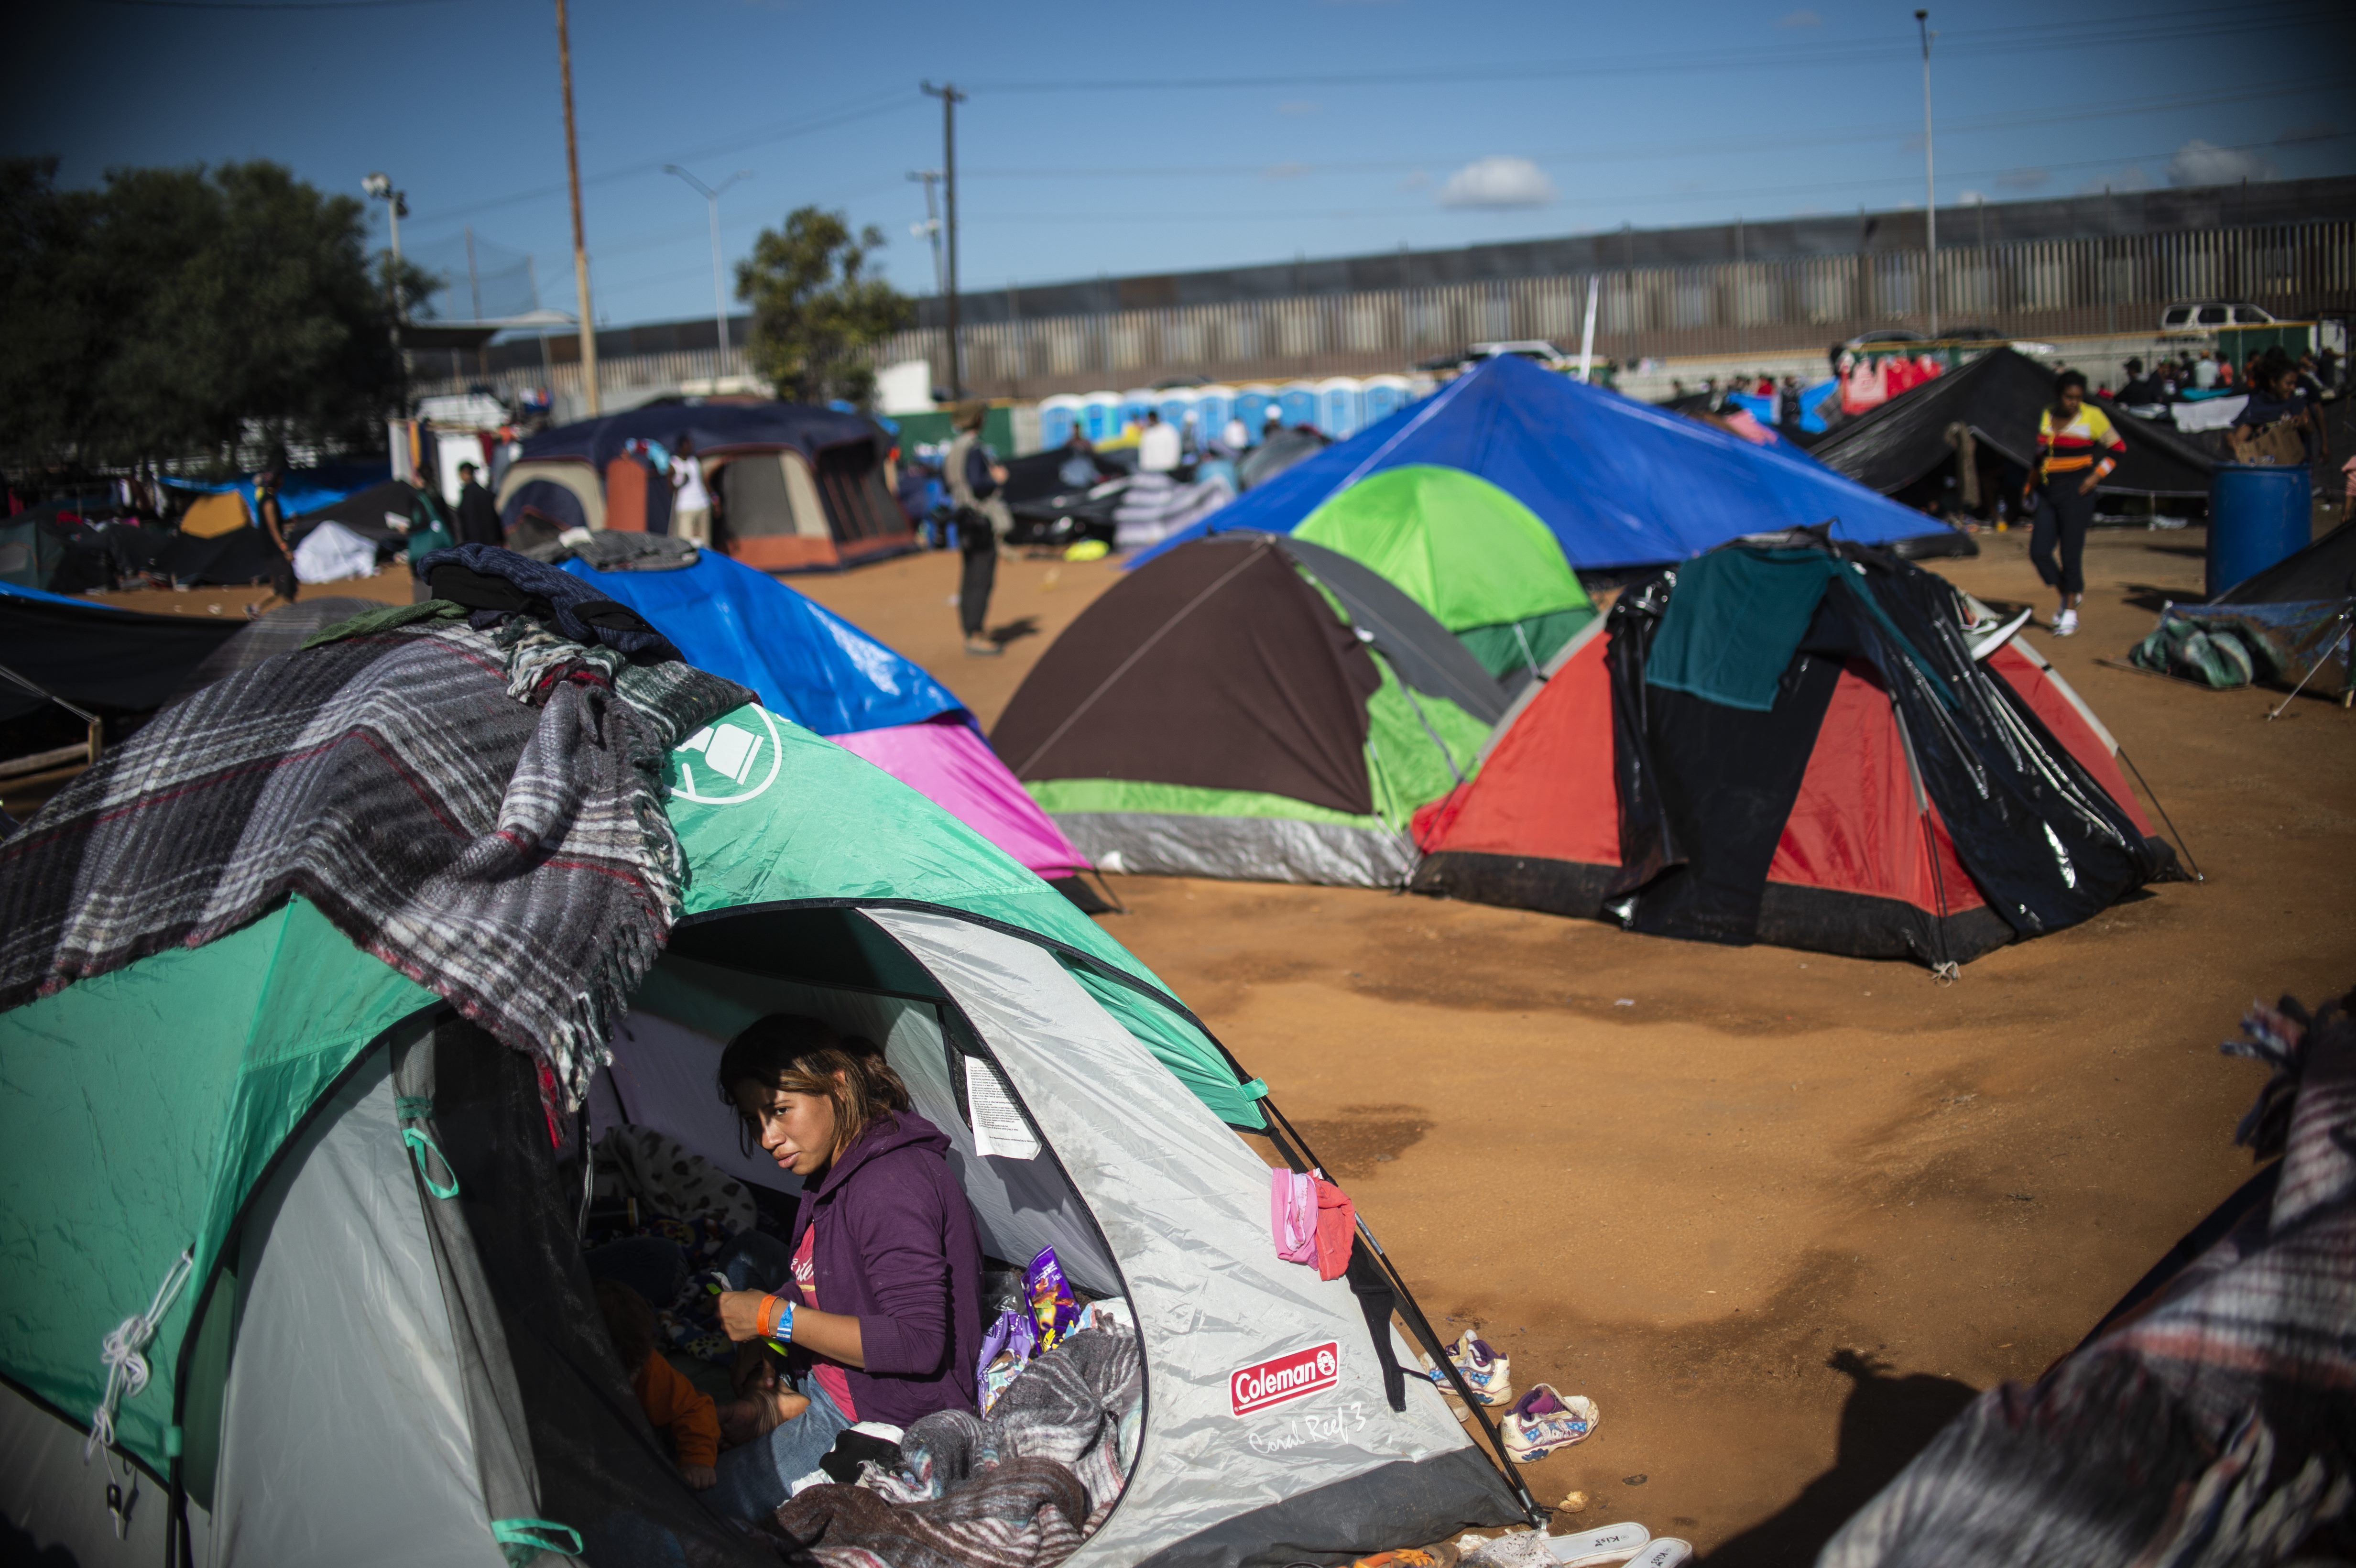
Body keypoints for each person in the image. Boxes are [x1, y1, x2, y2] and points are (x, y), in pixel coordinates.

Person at [703, 1015, 982, 1522]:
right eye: (753, 1120)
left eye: (780, 1111)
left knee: (688, 1517)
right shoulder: (837, 1164)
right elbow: (821, 1275)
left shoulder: (888, 1184)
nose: (767, 1137)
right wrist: (770, 1338)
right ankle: (782, 1402)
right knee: (745, 1252)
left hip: (881, 1414)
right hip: (835, 1379)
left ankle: (792, 1413)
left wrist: (772, 1318)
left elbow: (918, 1343)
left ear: (837, 1083)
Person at [595, 1279, 720, 1491]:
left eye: (629, 1375)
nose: (621, 1384)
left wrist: (697, 1460)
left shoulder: (648, 1368)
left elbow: (692, 1409)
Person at [2025, 369, 2123, 638]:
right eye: (2069, 397)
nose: (2073, 403)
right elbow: (2040, 455)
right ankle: (2069, 592)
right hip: (2048, 491)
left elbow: (2118, 449)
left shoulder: (2093, 417)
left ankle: (2070, 612)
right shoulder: (2047, 414)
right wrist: (2030, 486)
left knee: (2070, 552)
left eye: (2078, 398)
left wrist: (2095, 476)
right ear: (2059, 396)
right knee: (2039, 552)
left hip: (2077, 492)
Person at [944, 403, 1011, 657]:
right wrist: (996, 478)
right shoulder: (974, 449)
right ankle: (975, 634)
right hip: (980, 519)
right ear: (977, 419)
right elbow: (978, 485)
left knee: (969, 575)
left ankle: (971, 630)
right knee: (980, 578)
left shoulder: (954, 449)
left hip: (963, 518)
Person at [2230, 352, 2330, 469]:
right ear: (2273, 382)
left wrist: (2303, 423)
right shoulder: (2258, 404)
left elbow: (2310, 428)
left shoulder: (2296, 402)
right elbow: (2241, 435)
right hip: (2268, 472)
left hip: (2297, 469)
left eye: (2295, 384)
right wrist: (2234, 441)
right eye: (2288, 384)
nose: (2293, 388)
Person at [249, 467, 299, 615]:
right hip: (272, 549)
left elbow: (275, 524)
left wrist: (288, 521)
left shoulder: (270, 498)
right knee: (286, 579)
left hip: (273, 547)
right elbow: (273, 529)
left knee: (282, 583)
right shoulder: (269, 501)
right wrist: (284, 548)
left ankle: (255, 608)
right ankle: (291, 613)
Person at [671, 436, 711, 546]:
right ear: (681, 446)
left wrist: (713, 497)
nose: (690, 448)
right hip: (686, 508)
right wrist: (681, 482)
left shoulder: (694, 461)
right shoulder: (674, 464)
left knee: (705, 543)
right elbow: (670, 488)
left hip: (703, 505)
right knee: (686, 543)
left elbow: (704, 480)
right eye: (687, 445)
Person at [453, 461, 502, 547]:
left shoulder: (468, 494)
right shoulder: (484, 492)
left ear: (465, 473)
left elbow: (470, 521)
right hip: (491, 539)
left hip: (476, 541)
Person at [1137, 408, 1181, 473]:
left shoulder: (1168, 430)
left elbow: (1175, 448)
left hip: (1167, 468)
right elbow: (1144, 451)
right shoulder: (1148, 433)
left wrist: (1174, 463)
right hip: (1152, 469)